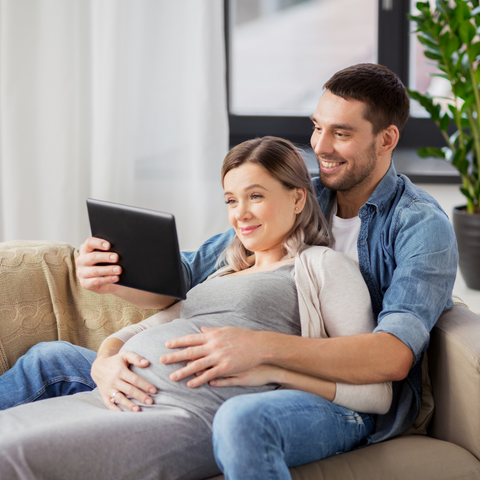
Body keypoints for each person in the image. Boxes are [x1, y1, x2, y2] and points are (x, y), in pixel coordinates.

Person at [0, 63, 458, 477]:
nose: (320, 146)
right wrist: (112, 272)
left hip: (332, 398)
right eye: (317, 128)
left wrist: (259, 350)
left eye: (341, 133)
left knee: (241, 420)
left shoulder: (418, 226)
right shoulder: (302, 194)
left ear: (388, 139)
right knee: (50, 358)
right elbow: (189, 275)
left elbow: (393, 356)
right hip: (209, 373)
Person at [0, 136, 388, 479]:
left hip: (186, 409)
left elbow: (375, 393)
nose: (241, 214)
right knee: (43, 368)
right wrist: (106, 360)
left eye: (256, 196)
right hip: (132, 390)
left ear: (297, 197)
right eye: (232, 200)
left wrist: (271, 369)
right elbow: (146, 329)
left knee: (12, 453)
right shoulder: (223, 272)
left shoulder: (322, 266)